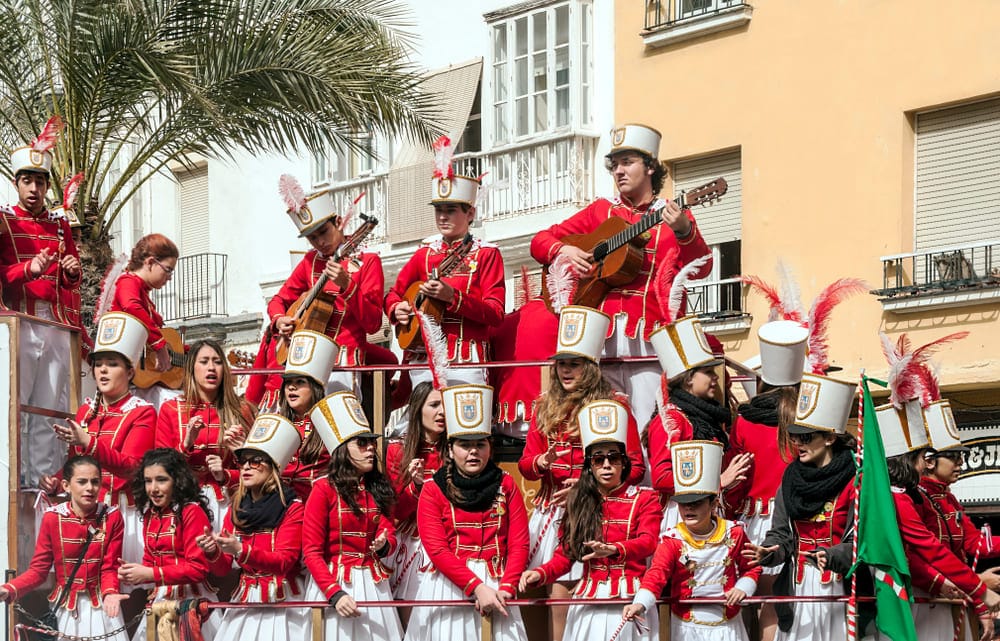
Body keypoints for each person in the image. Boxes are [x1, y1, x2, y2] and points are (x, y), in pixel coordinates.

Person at [523, 124, 713, 431]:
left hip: (650, 336)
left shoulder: (675, 215)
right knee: (605, 426)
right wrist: (564, 251)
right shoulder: (601, 210)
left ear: (650, 167)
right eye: (615, 165)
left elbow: (702, 267)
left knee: (650, 425)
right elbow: (540, 241)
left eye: (628, 163)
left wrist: (684, 231)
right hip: (602, 336)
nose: (619, 171)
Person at [517, 305, 645, 641]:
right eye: (560, 364)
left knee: (564, 595)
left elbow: (636, 466)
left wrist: (589, 486)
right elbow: (525, 465)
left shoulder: (615, 406)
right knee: (530, 594)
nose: (564, 371)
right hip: (548, 515)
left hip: (595, 512)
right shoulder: (543, 405)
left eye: (573, 364)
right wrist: (540, 463)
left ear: (589, 367)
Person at [520, 399, 663, 641]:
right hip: (589, 602)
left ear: (624, 463)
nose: (606, 465)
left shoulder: (644, 499)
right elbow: (567, 554)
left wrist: (613, 549)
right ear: (590, 466)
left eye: (614, 458)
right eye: (598, 459)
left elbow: (648, 543)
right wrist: (541, 574)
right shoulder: (580, 501)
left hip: (629, 600)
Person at [404, 384, 529, 641]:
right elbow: (437, 550)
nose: (473, 451)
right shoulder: (432, 489)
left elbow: (519, 544)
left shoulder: (506, 484)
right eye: (464, 444)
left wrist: (507, 587)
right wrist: (476, 588)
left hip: (498, 585)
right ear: (450, 449)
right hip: (449, 587)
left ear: (489, 447)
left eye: (480, 444)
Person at [0, 117, 86, 486]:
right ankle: (10, 482)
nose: (34, 188)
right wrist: (27, 270)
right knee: (12, 406)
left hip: (53, 325)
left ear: (47, 185)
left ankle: (41, 484)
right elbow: (2, 276)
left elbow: (73, 276)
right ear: (17, 183)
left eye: (40, 181)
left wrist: (69, 270)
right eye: (27, 180)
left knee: (49, 409)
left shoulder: (59, 223)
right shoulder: (3, 221)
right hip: (18, 321)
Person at [743, 373, 859, 641]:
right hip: (797, 589)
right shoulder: (791, 477)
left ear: (829, 438)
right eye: (795, 437)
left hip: (838, 588)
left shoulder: (855, 480)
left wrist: (833, 555)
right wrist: (769, 552)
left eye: (806, 437)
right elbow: (781, 533)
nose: (797, 444)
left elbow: (861, 542)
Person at [251, 179, 384, 408]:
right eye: (312, 238)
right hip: (305, 363)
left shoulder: (368, 262)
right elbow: (279, 300)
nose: (320, 242)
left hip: (344, 362)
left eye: (324, 232)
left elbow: (373, 324)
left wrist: (347, 286)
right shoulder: (309, 262)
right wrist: (279, 319)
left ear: (339, 222)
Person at [385, 136, 505, 387]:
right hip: (422, 358)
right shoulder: (424, 254)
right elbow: (393, 294)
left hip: (466, 360)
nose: (442, 216)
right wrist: (398, 309)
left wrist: (454, 297)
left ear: (470, 213)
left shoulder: (486, 254)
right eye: (439, 210)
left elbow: (495, 313)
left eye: (451, 210)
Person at [44, 312, 156, 563]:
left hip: (123, 514)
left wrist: (89, 443)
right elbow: (75, 466)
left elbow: (132, 468)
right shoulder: (86, 410)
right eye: (99, 363)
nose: (103, 370)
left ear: (129, 372)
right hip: (83, 514)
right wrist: (56, 481)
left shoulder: (142, 411)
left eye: (113, 364)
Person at [721, 320, 808, 641]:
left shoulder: (743, 421)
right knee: (776, 599)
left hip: (751, 520)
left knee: (743, 598)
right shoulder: (805, 421)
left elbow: (738, 476)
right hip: (792, 520)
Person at [623, 441, 761, 641]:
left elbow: (752, 567)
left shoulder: (735, 533)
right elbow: (656, 574)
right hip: (687, 628)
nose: (688, 509)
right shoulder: (672, 541)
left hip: (729, 626)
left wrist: (743, 587)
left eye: (696, 503)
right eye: (683, 504)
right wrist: (639, 603)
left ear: (713, 503)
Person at [197, 414, 309, 641]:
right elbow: (222, 569)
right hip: (245, 601)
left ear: (273, 467)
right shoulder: (236, 506)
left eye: (256, 460)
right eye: (243, 461)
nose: (247, 466)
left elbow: (285, 562)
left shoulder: (293, 507)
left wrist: (241, 550)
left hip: (285, 602)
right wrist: (212, 551)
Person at [301, 390, 402, 640]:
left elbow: (389, 531)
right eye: (362, 443)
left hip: (373, 585)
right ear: (342, 449)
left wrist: (383, 545)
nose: (370, 449)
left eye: (372, 443)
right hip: (334, 583)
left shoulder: (376, 486)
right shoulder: (323, 489)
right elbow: (311, 551)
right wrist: (333, 593)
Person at [0, 455, 129, 641]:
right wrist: (10, 588)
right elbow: (39, 570)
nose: (89, 488)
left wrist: (110, 594)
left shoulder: (112, 517)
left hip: (101, 607)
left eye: (94, 482)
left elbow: (109, 567)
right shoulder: (53, 518)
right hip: (66, 609)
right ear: (67, 486)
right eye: (82, 482)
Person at [156, 339, 255, 530]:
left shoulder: (242, 410)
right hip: (184, 505)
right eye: (204, 361)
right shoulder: (170, 409)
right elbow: (159, 470)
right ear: (191, 368)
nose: (211, 368)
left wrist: (235, 460)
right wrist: (186, 444)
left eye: (217, 362)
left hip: (230, 505)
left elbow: (258, 472)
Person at [122, 448, 218, 641]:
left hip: (192, 604)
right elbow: (150, 561)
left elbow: (198, 569)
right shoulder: (150, 514)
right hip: (160, 603)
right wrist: (133, 574)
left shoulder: (191, 512)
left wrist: (150, 574)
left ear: (177, 480)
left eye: (161, 480)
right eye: (148, 481)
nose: (153, 488)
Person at [385, 381, 447, 608]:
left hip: (450, 537)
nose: (442, 412)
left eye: (445, 405)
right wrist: (416, 487)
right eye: (434, 405)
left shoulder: (458, 449)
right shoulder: (397, 450)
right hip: (412, 540)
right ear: (417, 409)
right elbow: (395, 511)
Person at [276, 335, 335, 502]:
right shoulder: (276, 421)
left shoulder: (331, 423)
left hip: (316, 503)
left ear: (315, 388)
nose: (292, 387)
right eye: (288, 383)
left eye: (300, 382)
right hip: (281, 504)